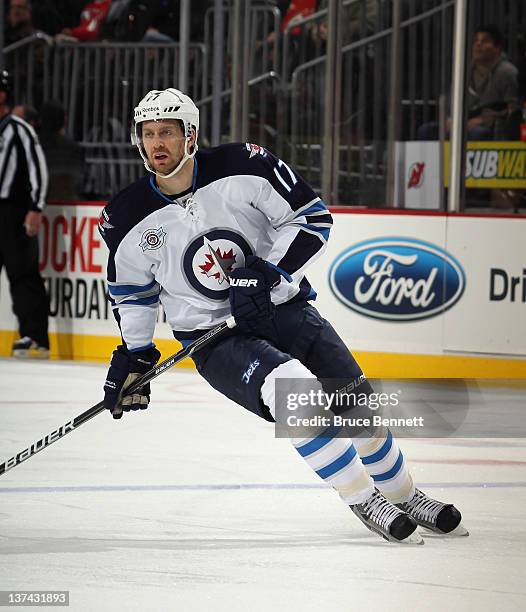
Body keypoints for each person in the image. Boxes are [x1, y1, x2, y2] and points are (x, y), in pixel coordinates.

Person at [99, 87, 468, 544]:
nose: (158, 144)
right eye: (149, 134)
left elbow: (311, 218)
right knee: (294, 390)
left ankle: (405, 494)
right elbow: (133, 293)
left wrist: (267, 274)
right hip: (215, 338)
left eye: (168, 133)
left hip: (280, 307)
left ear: (190, 135)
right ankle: (361, 496)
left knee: (358, 405)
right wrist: (136, 355)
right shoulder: (125, 215)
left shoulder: (245, 165)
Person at [0, 71, 50, 358]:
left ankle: (34, 335)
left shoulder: (18, 129)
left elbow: (37, 170)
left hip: (14, 211)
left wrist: (35, 208)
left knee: (23, 274)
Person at [418, 24, 520, 141]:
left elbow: (514, 109)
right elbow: (450, 101)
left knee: (478, 133)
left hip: (491, 127)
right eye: (476, 40)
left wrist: (484, 119)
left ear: (498, 48)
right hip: (463, 122)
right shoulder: (464, 70)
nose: (478, 44)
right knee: (425, 130)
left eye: (485, 41)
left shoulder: (507, 72)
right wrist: (450, 119)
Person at [38, 101, 85, 201]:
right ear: (64, 120)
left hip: (39, 200)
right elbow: (80, 178)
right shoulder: (72, 147)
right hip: (66, 200)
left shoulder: (34, 145)